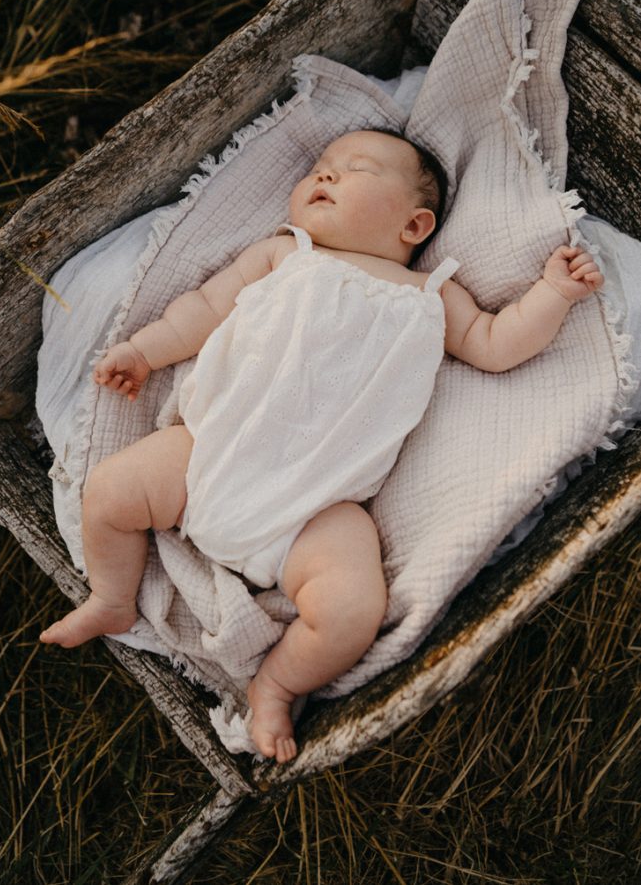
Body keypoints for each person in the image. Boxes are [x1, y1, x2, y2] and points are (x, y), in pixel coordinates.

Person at [40, 128, 604, 763]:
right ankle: (113, 598)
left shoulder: (432, 293)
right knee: (112, 489)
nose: (325, 175)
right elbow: (201, 308)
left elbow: (497, 344)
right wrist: (143, 352)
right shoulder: (286, 253)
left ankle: (276, 685)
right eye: (320, 166)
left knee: (351, 610)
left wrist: (553, 293)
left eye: (356, 168)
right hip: (209, 453)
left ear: (414, 225)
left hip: (319, 511)